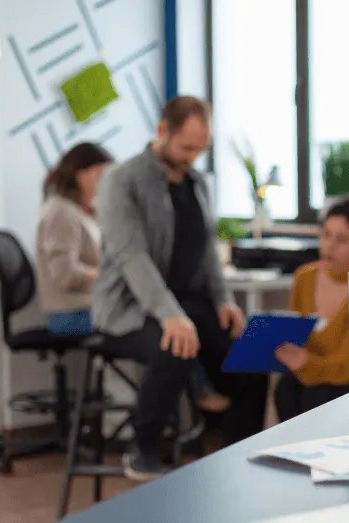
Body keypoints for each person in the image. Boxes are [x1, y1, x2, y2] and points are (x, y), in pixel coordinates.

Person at [92, 96, 268, 480]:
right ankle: (143, 449)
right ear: (161, 131)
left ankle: (239, 462)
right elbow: (131, 256)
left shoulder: (199, 184)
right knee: (173, 344)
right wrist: (170, 315)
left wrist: (223, 300)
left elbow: (207, 249)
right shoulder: (120, 181)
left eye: (199, 149)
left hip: (191, 305)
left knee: (252, 356)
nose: (191, 158)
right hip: (130, 309)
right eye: (186, 147)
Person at [273, 197, 349, 422]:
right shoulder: (304, 277)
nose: (330, 246)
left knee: (318, 395)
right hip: (306, 375)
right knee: (285, 388)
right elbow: (297, 336)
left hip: (346, 382)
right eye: (326, 235)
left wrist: (307, 364)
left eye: (342, 239)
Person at [36, 142, 113, 337]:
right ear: (79, 175)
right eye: (99, 176)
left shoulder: (81, 211)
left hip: (85, 307)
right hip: (69, 314)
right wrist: (107, 278)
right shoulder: (61, 212)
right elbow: (65, 274)